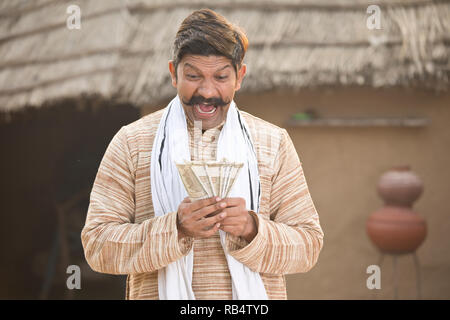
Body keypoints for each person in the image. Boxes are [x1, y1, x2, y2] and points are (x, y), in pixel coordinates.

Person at [81, 8, 323, 300]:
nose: (207, 92)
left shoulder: (272, 143)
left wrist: (250, 227)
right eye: (193, 76)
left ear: (240, 77)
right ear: (173, 73)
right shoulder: (132, 142)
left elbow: (308, 245)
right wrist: (176, 229)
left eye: (221, 77)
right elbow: (97, 246)